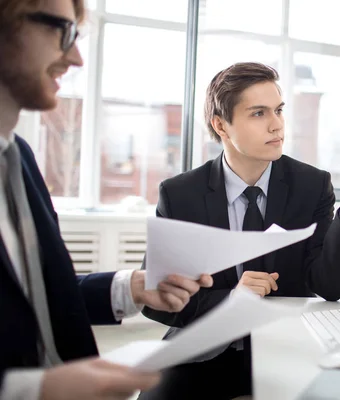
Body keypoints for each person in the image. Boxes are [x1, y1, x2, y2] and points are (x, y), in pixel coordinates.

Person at [139, 61, 340, 399]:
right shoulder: (180, 194)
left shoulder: (312, 185)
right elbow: (155, 299)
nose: (277, 125)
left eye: (278, 110)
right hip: (204, 347)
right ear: (221, 125)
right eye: (259, 114)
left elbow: (329, 285)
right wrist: (230, 301)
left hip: (289, 342)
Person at [0, 0, 214, 399]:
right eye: (62, 31)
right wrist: (34, 390)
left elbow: (33, 300)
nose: (76, 57)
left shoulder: (20, 159)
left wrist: (131, 288)